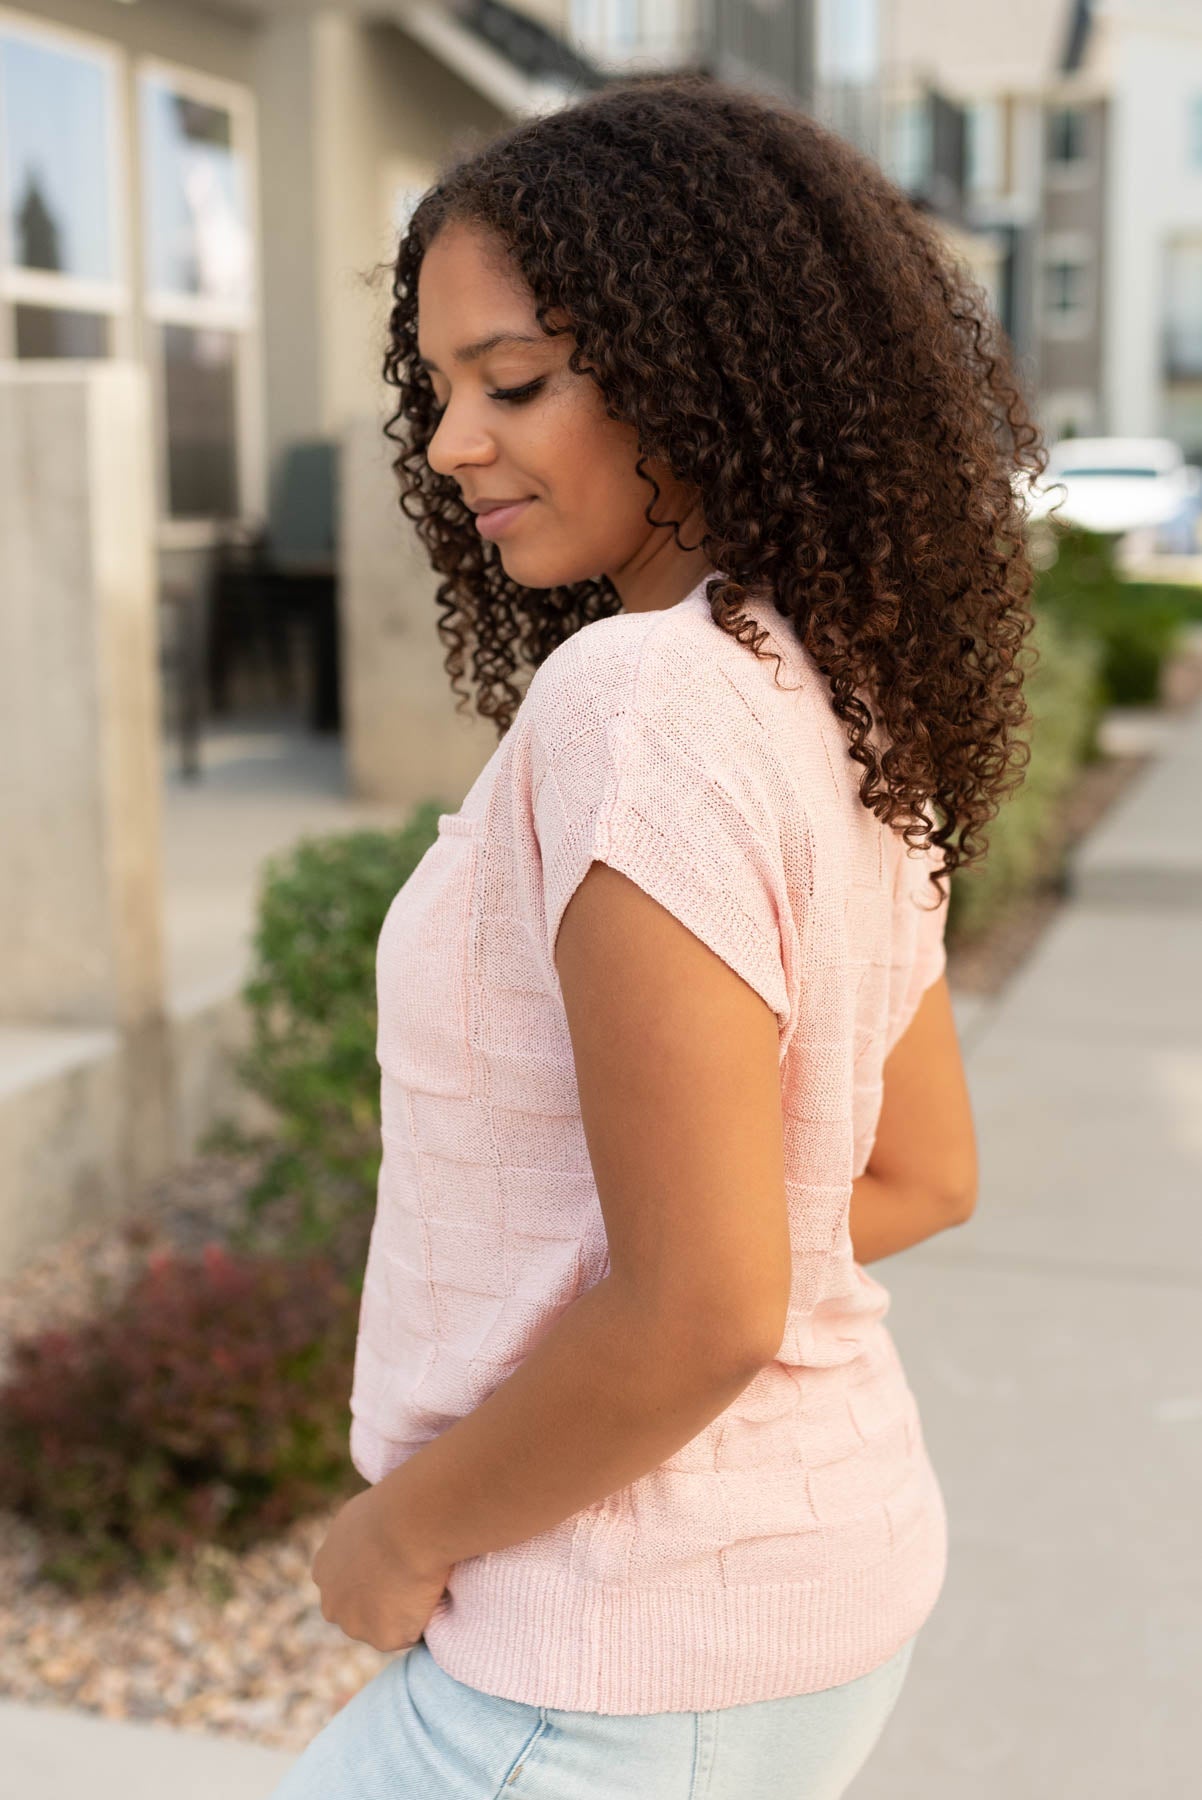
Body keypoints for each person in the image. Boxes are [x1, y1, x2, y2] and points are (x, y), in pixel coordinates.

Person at [269, 69, 1044, 1800]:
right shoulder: (827, 687)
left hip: (610, 1645)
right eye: (441, 389)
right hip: (800, 1592)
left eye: (516, 381)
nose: (454, 440)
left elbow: (703, 1307)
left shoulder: (639, 700)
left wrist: (396, 1535)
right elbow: (914, 1170)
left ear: (704, 370)